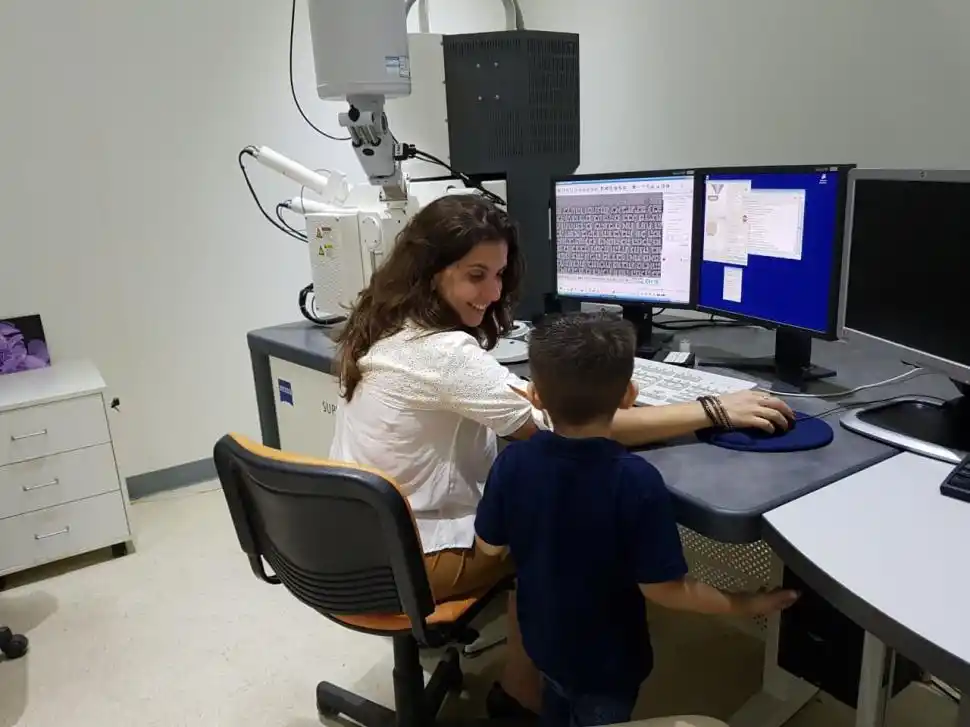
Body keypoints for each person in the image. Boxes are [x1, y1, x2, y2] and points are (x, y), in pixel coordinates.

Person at [329, 193, 795, 718]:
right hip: (406, 558)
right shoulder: (443, 354)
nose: (493, 292)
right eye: (475, 275)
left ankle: (525, 689)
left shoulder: (386, 321)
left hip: (351, 542)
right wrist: (711, 409)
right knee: (553, 520)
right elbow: (572, 426)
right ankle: (523, 697)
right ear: (431, 272)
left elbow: (549, 411)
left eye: (500, 274)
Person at [474, 313, 800, 727]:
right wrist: (745, 603)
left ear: (535, 396)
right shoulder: (636, 481)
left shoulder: (512, 463)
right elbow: (667, 591)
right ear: (629, 395)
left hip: (542, 646)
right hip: (608, 668)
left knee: (554, 708)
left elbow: (490, 546)